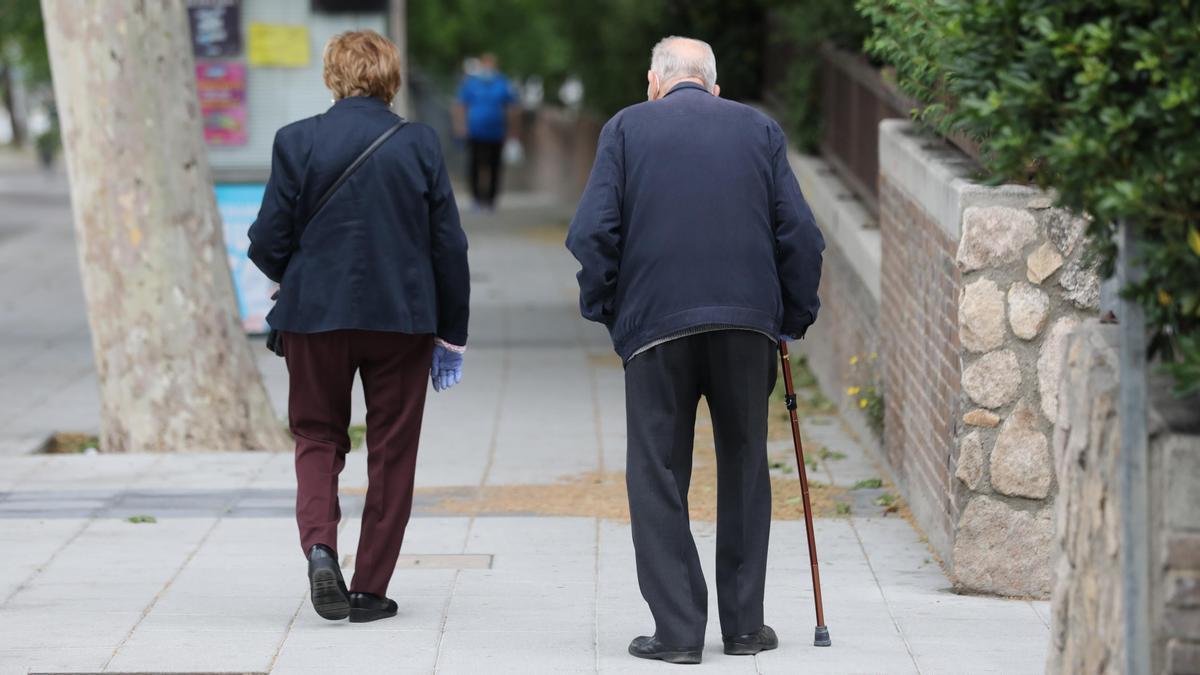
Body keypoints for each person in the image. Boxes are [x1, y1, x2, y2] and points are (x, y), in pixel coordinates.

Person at [566, 36, 825, 664]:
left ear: (653, 81)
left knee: (656, 472)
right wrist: (790, 318)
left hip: (655, 326)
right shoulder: (759, 130)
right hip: (746, 326)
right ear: (713, 85)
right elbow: (803, 237)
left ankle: (679, 632)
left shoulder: (626, 129)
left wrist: (607, 310)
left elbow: (593, 233)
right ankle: (743, 628)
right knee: (744, 467)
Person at [247, 30, 470, 624]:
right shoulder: (419, 143)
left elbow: (268, 241)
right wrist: (453, 333)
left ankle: (321, 547)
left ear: (332, 75)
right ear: (391, 78)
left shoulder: (296, 141)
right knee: (392, 450)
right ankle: (371, 589)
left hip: (315, 319)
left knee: (317, 436)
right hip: (402, 320)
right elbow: (448, 245)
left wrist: (293, 275)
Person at [453, 52, 517, 209]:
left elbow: (512, 108)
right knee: (475, 165)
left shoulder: (502, 83)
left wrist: (513, 131)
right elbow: (460, 105)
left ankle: (491, 199)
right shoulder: (471, 83)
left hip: (496, 133)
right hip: (475, 132)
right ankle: (476, 198)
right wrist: (461, 127)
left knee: (495, 166)